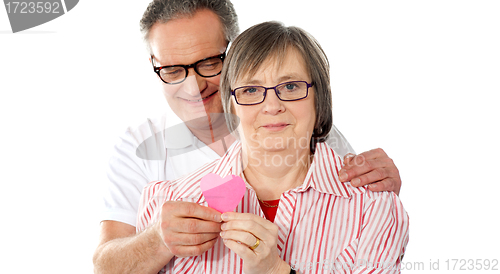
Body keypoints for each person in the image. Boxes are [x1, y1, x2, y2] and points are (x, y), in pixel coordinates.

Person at [93, 0, 403, 273]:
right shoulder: (147, 163)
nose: (193, 86)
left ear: (234, 54)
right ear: (155, 66)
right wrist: (156, 240)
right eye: (173, 70)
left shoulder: (314, 133)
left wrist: (382, 192)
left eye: (208, 63)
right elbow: (107, 267)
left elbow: (360, 207)